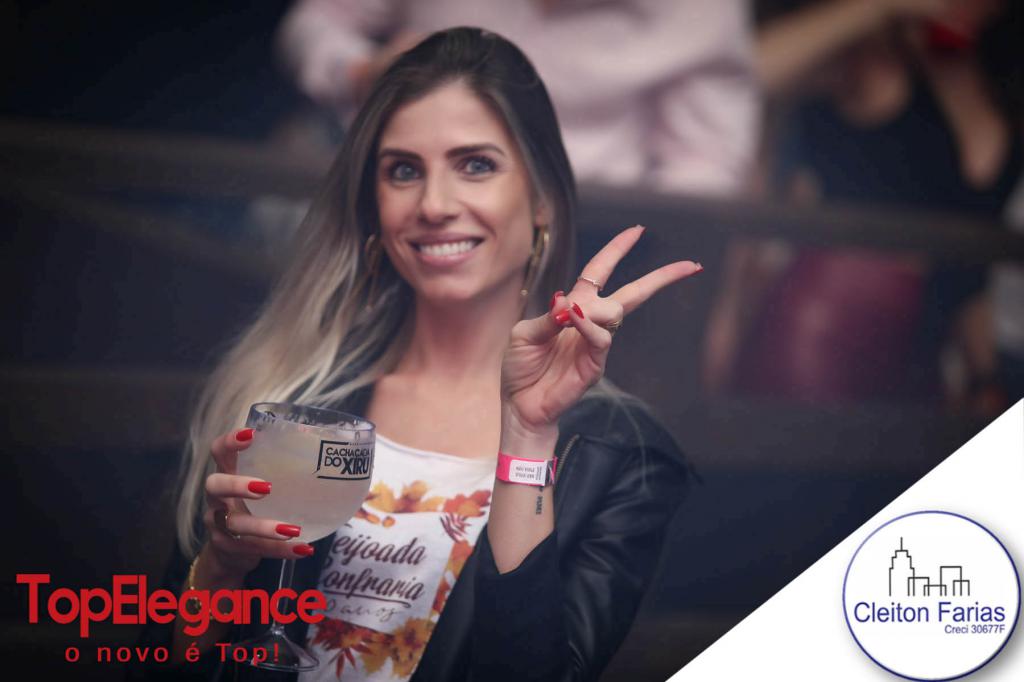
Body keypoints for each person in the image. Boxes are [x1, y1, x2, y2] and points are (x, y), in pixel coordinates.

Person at [130, 27, 701, 681]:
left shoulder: (622, 453)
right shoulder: (291, 399)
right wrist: (220, 570)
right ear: (374, 203)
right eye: (403, 170)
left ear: (541, 198)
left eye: (476, 165)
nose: (433, 204)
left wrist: (528, 434)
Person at [703, 0, 1022, 406]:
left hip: (923, 356)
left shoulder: (997, 82)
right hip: (825, 331)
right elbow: (737, 72)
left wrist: (984, 375)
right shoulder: (876, 66)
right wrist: (879, 6)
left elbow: (970, 263)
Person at [275, 0, 759, 196]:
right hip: (390, 193)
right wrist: (358, 73)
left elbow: (704, 170)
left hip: (584, 228)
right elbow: (315, 22)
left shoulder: (703, 10)